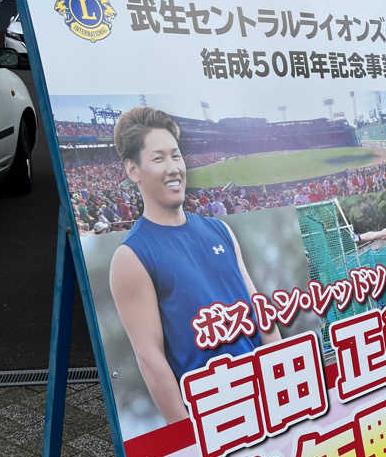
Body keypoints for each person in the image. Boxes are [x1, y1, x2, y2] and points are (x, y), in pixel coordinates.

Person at [109, 106, 279, 425]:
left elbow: (261, 315)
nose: (173, 167)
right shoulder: (130, 258)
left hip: (268, 398)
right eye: (159, 158)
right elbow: (151, 359)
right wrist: (187, 441)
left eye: (176, 155)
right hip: (216, 418)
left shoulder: (221, 231)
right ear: (133, 170)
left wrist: (284, 385)